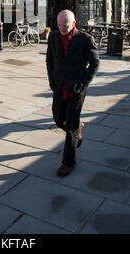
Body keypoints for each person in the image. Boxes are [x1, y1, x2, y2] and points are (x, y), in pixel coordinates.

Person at [46, 10, 100, 177]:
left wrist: (82, 83)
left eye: (66, 25)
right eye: (60, 25)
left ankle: (68, 163)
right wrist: (52, 81)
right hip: (59, 87)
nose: (62, 28)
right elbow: (50, 60)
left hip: (76, 89)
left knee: (70, 126)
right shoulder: (53, 37)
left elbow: (95, 63)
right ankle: (78, 131)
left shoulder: (85, 39)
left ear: (74, 24)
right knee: (57, 119)